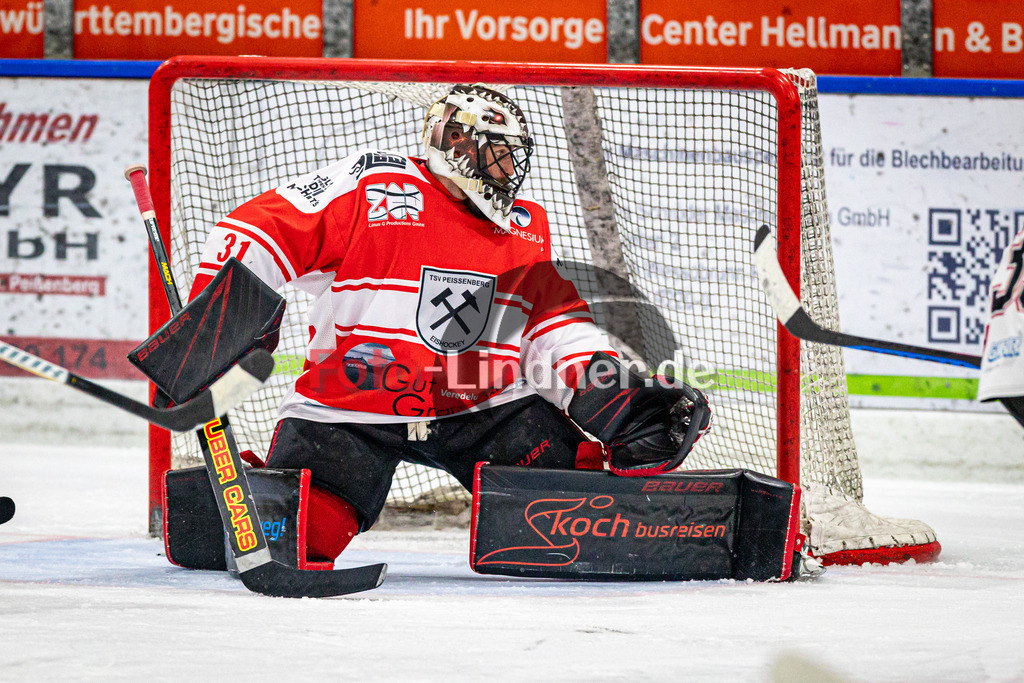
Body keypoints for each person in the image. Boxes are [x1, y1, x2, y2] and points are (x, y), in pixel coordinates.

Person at [188, 84, 711, 566]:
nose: (509, 169)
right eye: (499, 152)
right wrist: (215, 317)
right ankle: (247, 497)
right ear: (456, 140)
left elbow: (552, 326)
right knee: (296, 535)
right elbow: (258, 230)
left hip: (483, 405)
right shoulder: (375, 183)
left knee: (578, 508)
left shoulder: (523, 229)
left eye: (513, 157)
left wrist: (609, 387)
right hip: (354, 398)